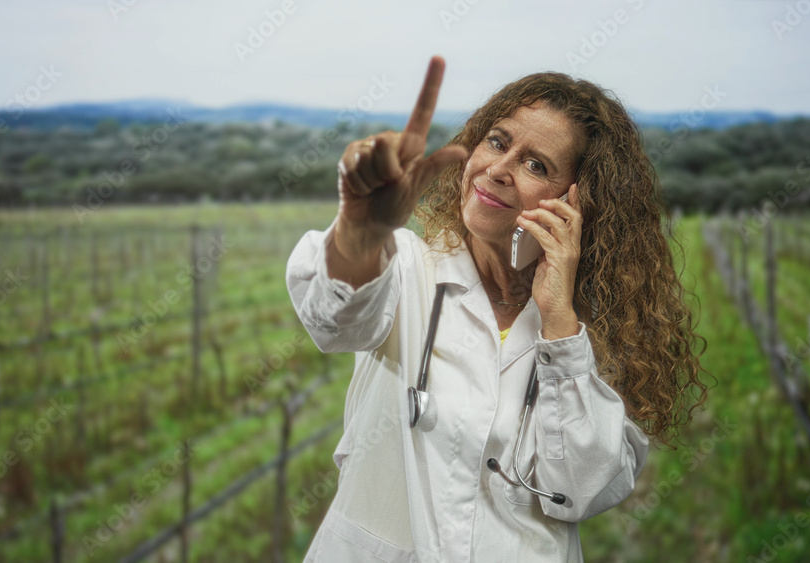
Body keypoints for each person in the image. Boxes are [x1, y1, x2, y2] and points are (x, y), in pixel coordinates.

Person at [285, 55, 709, 562]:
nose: (499, 170)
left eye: (537, 165)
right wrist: (358, 230)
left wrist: (558, 325)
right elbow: (332, 320)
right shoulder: (405, 269)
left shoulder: (593, 328)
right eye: (498, 141)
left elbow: (581, 490)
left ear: (578, 202)